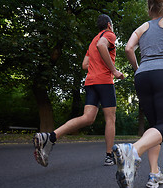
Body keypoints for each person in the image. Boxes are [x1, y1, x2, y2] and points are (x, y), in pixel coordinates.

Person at [113, 0, 163, 188]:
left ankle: (154, 173)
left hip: (142, 75)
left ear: (149, 7)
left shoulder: (141, 28)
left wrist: (138, 69)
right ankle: (132, 150)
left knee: (155, 126)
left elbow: (128, 49)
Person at [33, 14, 124, 167]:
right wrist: (113, 70)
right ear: (109, 25)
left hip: (90, 82)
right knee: (110, 118)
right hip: (104, 81)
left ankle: (51, 137)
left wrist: (98, 66)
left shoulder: (92, 41)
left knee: (88, 118)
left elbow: (84, 65)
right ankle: (109, 156)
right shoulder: (109, 35)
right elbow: (102, 46)